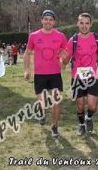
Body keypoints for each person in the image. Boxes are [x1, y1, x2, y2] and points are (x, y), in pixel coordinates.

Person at [23, 9, 67, 138]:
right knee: (42, 102)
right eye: (46, 19)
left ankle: (54, 127)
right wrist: (27, 70)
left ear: (54, 22)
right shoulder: (34, 36)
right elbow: (27, 53)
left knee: (56, 102)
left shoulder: (60, 36)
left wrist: (63, 61)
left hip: (55, 74)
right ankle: (41, 112)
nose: (48, 22)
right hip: (40, 75)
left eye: (51, 20)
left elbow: (64, 53)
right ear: (42, 20)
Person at [63, 13, 98, 136]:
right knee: (79, 105)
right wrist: (63, 59)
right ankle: (81, 125)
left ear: (91, 24)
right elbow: (66, 59)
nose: (84, 26)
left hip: (92, 77)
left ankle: (89, 117)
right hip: (77, 78)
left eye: (87, 23)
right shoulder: (73, 40)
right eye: (82, 23)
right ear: (78, 24)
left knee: (92, 106)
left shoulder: (96, 38)